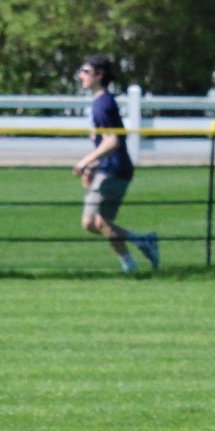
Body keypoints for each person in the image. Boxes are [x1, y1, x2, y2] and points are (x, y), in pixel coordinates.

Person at [73, 55, 157, 277]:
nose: (80, 75)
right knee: (91, 223)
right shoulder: (99, 102)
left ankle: (130, 265)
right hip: (107, 167)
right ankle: (142, 242)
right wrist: (93, 167)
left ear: (99, 75)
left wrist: (85, 161)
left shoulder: (103, 104)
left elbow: (113, 141)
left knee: (99, 221)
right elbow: (105, 141)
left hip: (114, 169)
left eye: (85, 71)